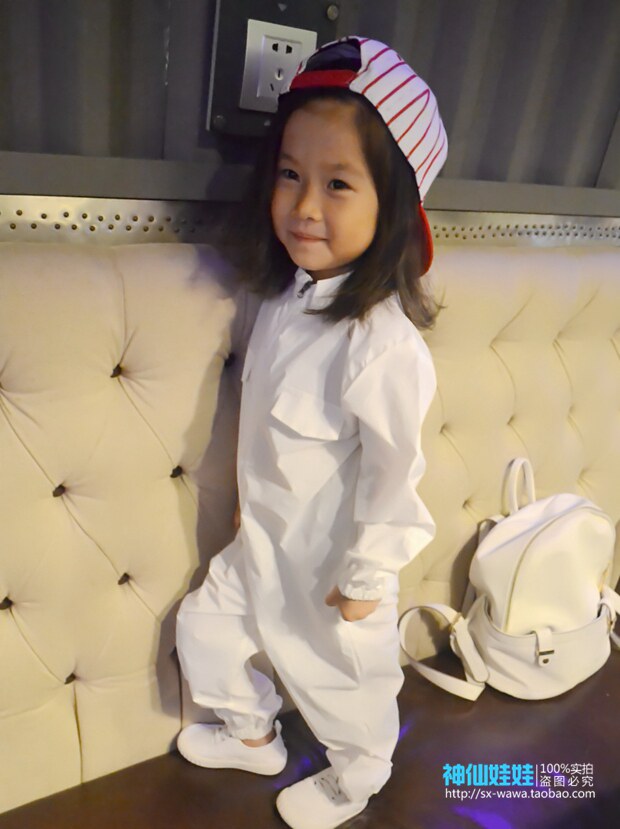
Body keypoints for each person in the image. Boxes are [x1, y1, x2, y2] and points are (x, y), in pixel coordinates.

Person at [176, 35, 448, 829]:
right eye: (290, 174)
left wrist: (367, 575)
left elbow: (396, 473)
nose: (303, 206)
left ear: (391, 206)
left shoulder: (383, 345)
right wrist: (246, 503)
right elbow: (268, 419)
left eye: (337, 184)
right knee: (204, 629)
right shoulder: (282, 301)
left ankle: (358, 775)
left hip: (334, 571)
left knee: (344, 684)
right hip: (262, 543)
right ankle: (251, 730)